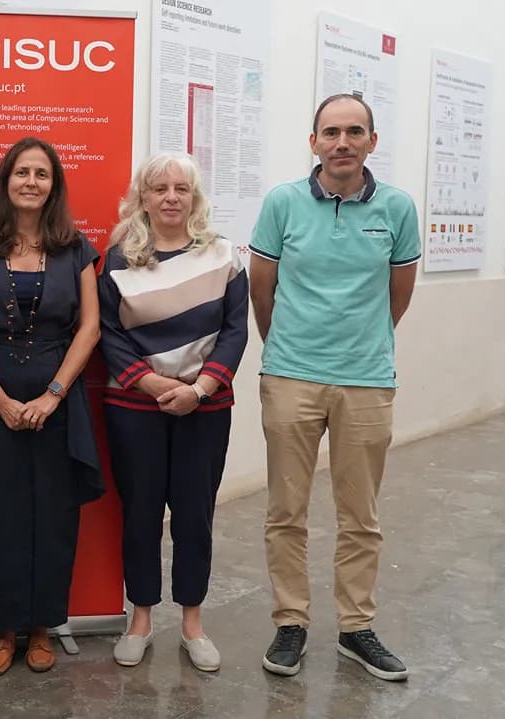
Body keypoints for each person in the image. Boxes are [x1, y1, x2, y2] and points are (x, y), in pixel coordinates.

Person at [249, 93, 420, 682]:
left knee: (360, 515)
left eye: (354, 132)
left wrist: (361, 343)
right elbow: (262, 290)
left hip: (366, 380)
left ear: (373, 141)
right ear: (314, 140)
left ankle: (356, 627)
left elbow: (398, 295)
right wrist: (288, 349)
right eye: (330, 132)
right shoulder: (283, 203)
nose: (341, 142)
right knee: (286, 511)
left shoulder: (398, 208)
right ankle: (291, 622)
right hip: (291, 376)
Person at [0, 137, 103, 676]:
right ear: (5, 182)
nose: (31, 182)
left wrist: (51, 395)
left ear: (53, 185)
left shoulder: (76, 249)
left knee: (51, 517)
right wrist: (2, 401)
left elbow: (89, 327)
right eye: (21, 172)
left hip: (58, 405)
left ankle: (41, 628)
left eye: (41, 173)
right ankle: (2, 628)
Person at [97, 152, 248, 671]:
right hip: (135, 408)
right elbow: (109, 334)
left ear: (195, 197)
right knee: (139, 513)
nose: (170, 198)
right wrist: (156, 384)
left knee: (194, 515)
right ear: (142, 196)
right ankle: (140, 618)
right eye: (159, 188)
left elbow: (235, 331)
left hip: (204, 409)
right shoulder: (117, 257)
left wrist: (200, 390)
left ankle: (192, 622)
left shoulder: (224, 255)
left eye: (181, 189)